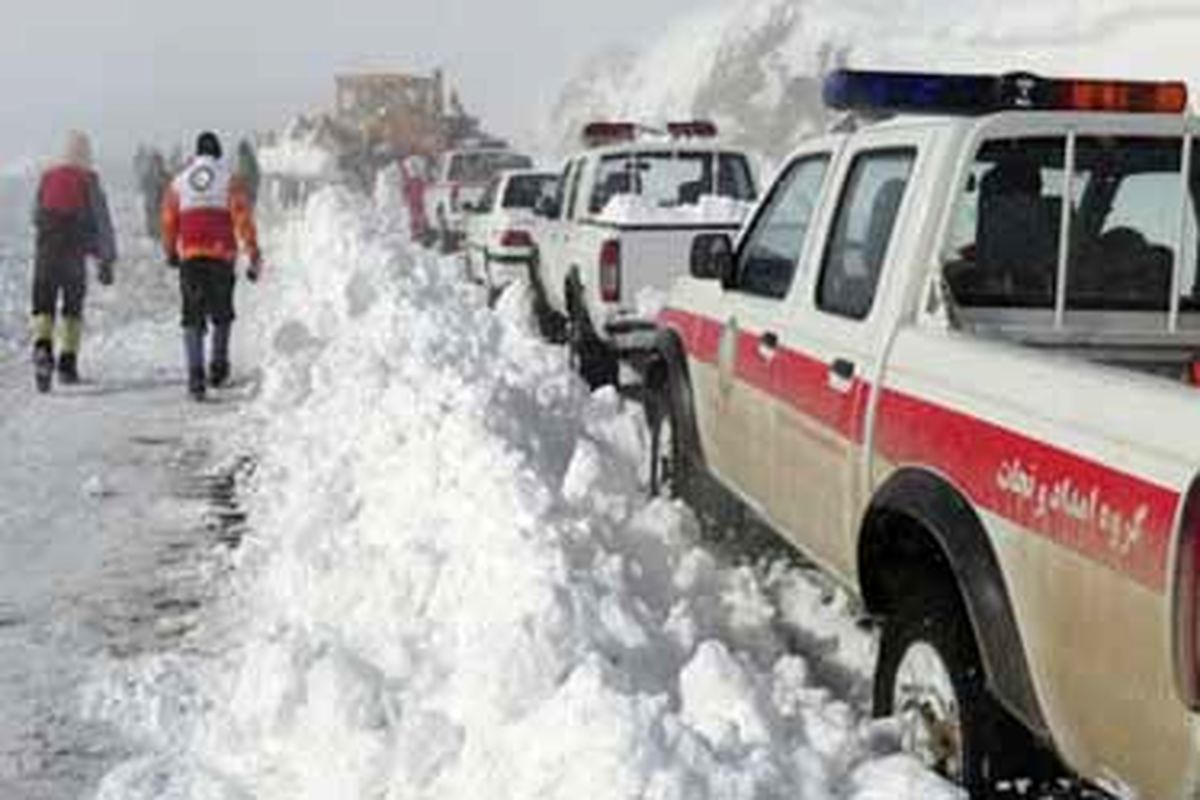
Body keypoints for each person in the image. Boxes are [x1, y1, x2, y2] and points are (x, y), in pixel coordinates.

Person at [161, 131, 262, 401]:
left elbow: (169, 219)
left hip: (191, 256)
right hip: (221, 255)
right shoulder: (230, 180)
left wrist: (170, 250)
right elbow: (242, 218)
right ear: (217, 154)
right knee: (221, 313)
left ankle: (195, 376)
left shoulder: (179, 182)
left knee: (191, 315)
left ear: (196, 154)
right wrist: (252, 251)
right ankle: (218, 367)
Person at [30, 131, 117, 392]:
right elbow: (102, 221)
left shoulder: (47, 176)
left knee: (43, 306)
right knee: (71, 309)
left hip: (46, 252)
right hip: (73, 254)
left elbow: (35, 215)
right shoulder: (89, 180)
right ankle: (67, 365)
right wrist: (106, 259)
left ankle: (43, 349)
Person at [235, 139, 261, 210]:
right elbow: (256, 173)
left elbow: (255, 173)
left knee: (248, 206)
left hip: (248, 186)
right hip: (246, 187)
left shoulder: (246, 158)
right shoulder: (244, 158)